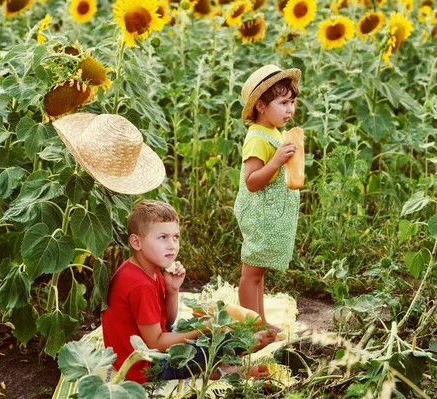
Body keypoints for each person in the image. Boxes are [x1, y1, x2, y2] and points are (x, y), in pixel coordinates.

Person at [101, 200, 275, 384]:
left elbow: (166, 323)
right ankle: (232, 358)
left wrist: (172, 289)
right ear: (136, 242)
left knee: (207, 331)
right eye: (162, 237)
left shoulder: (149, 269)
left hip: (148, 351)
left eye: (175, 237)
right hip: (146, 368)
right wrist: (204, 329)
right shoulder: (139, 285)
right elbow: (157, 344)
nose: (172, 245)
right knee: (219, 339)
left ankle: (218, 365)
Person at [234, 64, 301, 333]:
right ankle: (250, 329)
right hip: (258, 214)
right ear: (260, 106)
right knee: (250, 275)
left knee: (259, 272)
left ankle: (259, 322)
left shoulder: (274, 132)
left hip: (269, 214)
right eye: (283, 102)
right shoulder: (256, 138)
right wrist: (276, 161)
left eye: (293, 102)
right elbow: (251, 182)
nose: (290, 109)